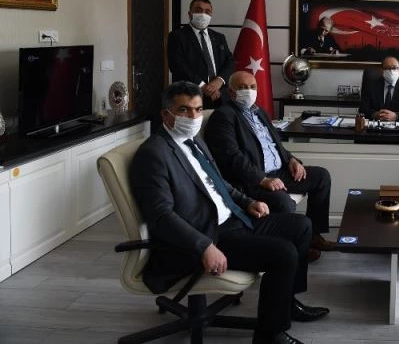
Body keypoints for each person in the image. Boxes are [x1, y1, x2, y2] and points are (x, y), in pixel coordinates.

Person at [129, 82, 329, 344]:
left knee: (301, 226)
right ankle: (269, 336)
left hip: (233, 219)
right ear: (166, 115)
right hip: (207, 235)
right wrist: (204, 246)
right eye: (184, 110)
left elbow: (219, 183)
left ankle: (286, 303)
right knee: (284, 254)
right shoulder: (153, 155)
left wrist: (247, 202)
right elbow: (161, 217)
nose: (193, 117)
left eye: (198, 109)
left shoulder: (194, 142)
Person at [205, 71, 335, 261]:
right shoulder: (224, 116)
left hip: (279, 171)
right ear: (231, 93)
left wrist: (292, 160)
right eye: (242, 88)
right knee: (283, 202)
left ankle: (313, 236)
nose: (249, 91)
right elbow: (230, 157)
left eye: (252, 87)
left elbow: (275, 144)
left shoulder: (260, 112)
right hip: (252, 179)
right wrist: (262, 179)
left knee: (321, 177)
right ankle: (295, 247)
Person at [167, 0, 234, 108]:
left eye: (207, 11)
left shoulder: (219, 37)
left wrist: (219, 81)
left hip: (220, 96)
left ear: (211, 15)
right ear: (190, 14)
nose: (203, 14)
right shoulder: (177, 36)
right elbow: (177, 65)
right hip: (190, 96)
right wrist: (203, 86)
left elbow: (230, 61)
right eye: (198, 10)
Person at [359, 56, 399, 121]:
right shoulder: (371, 86)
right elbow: (363, 109)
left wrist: (396, 116)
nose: (391, 71)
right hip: (376, 124)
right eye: (387, 68)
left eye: (394, 68)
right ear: (382, 71)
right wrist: (374, 114)